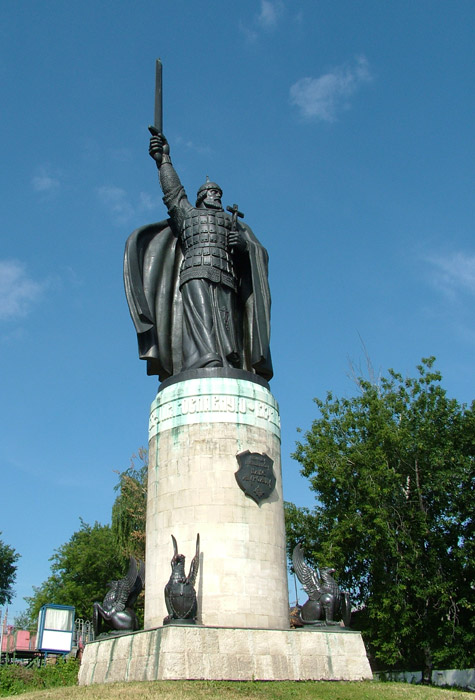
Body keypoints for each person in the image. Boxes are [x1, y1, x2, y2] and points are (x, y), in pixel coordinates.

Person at [124, 134, 273, 382]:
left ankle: (228, 360)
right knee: (202, 319)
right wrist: (164, 161)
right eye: (212, 192)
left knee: (227, 325)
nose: (217, 196)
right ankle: (204, 358)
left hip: (226, 276)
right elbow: (173, 192)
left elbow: (258, 254)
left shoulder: (234, 224)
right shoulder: (188, 215)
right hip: (195, 272)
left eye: (219, 193)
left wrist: (244, 246)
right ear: (202, 196)